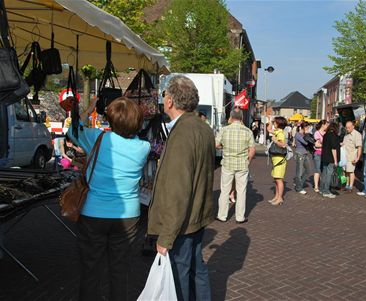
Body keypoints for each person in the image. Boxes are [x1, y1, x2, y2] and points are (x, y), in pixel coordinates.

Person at [68, 97, 151, 301]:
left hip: (93, 213)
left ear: (111, 119)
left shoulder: (97, 138)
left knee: (90, 269)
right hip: (128, 215)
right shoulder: (144, 147)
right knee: (120, 270)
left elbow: (72, 131)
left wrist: (88, 110)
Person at [147, 75, 215, 301]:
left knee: (179, 276)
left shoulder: (183, 133)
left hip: (182, 222)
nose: (164, 99)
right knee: (197, 269)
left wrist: (165, 236)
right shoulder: (202, 127)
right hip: (196, 215)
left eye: (165, 95)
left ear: (170, 101)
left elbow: (179, 187)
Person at [216, 109, 256, 223]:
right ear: (242, 118)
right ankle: (240, 217)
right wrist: (248, 161)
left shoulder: (224, 130)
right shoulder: (247, 131)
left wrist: (224, 147)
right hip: (242, 164)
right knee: (241, 191)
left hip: (228, 163)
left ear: (231, 117)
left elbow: (216, 144)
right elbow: (252, 150)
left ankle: (222, 215)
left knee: (225, 190)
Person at [268, 116, 288, 205]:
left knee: (279, 180)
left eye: (275, 122)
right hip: (276, 159)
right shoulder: (277, 131)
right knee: (276, 179)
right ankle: (276, 197)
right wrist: (270, 121)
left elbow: (283, 144)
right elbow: (268, 129)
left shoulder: (280, 133)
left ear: (279, 124)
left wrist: (275, 140)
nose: (274, 124)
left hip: (280, 160)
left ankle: (280, 198)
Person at [320, 122, 340, 199]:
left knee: (324, 173)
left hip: (324, 157)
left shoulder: (326, 135)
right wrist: (335, 161)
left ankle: (322, 189)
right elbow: (333, 148)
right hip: (330, 158)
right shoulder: (333, 136)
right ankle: (326, 191)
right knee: (329, 174)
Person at [343, 121, 362, 192]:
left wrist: (357, 158)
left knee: (351, 171)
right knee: (346, 172)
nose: (347, 129)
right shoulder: (346, 135)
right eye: (346, 127)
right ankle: (346, 185)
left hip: (352, 157)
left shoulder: (357, 134)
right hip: (345, 157)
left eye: (348, 127)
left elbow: (359, 147)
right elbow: (344, 144)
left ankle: (350, 187)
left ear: (353, 126)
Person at [293, 122, 311, 195]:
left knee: (308, 170)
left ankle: (299, 183)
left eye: (308, 128)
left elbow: (311, 141)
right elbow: (306, 142)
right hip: (300, 154)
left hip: (305, 154)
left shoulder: (304, 134)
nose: (308, 130)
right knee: (299, 172)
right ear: (302, 128)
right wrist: (307, 134)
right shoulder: (298, 134)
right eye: (307, 128)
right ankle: (299, 188)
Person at [313, 120, 328, 192]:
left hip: (325, 154)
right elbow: (316, 145)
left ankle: (322, 184)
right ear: (323, 125)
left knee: (323, 170)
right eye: (326, 125)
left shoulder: (326, 133)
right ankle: (316, 186)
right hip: (318, 154)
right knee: (317, 170)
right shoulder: (317, 133)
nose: (327, 126)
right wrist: (325, 146)